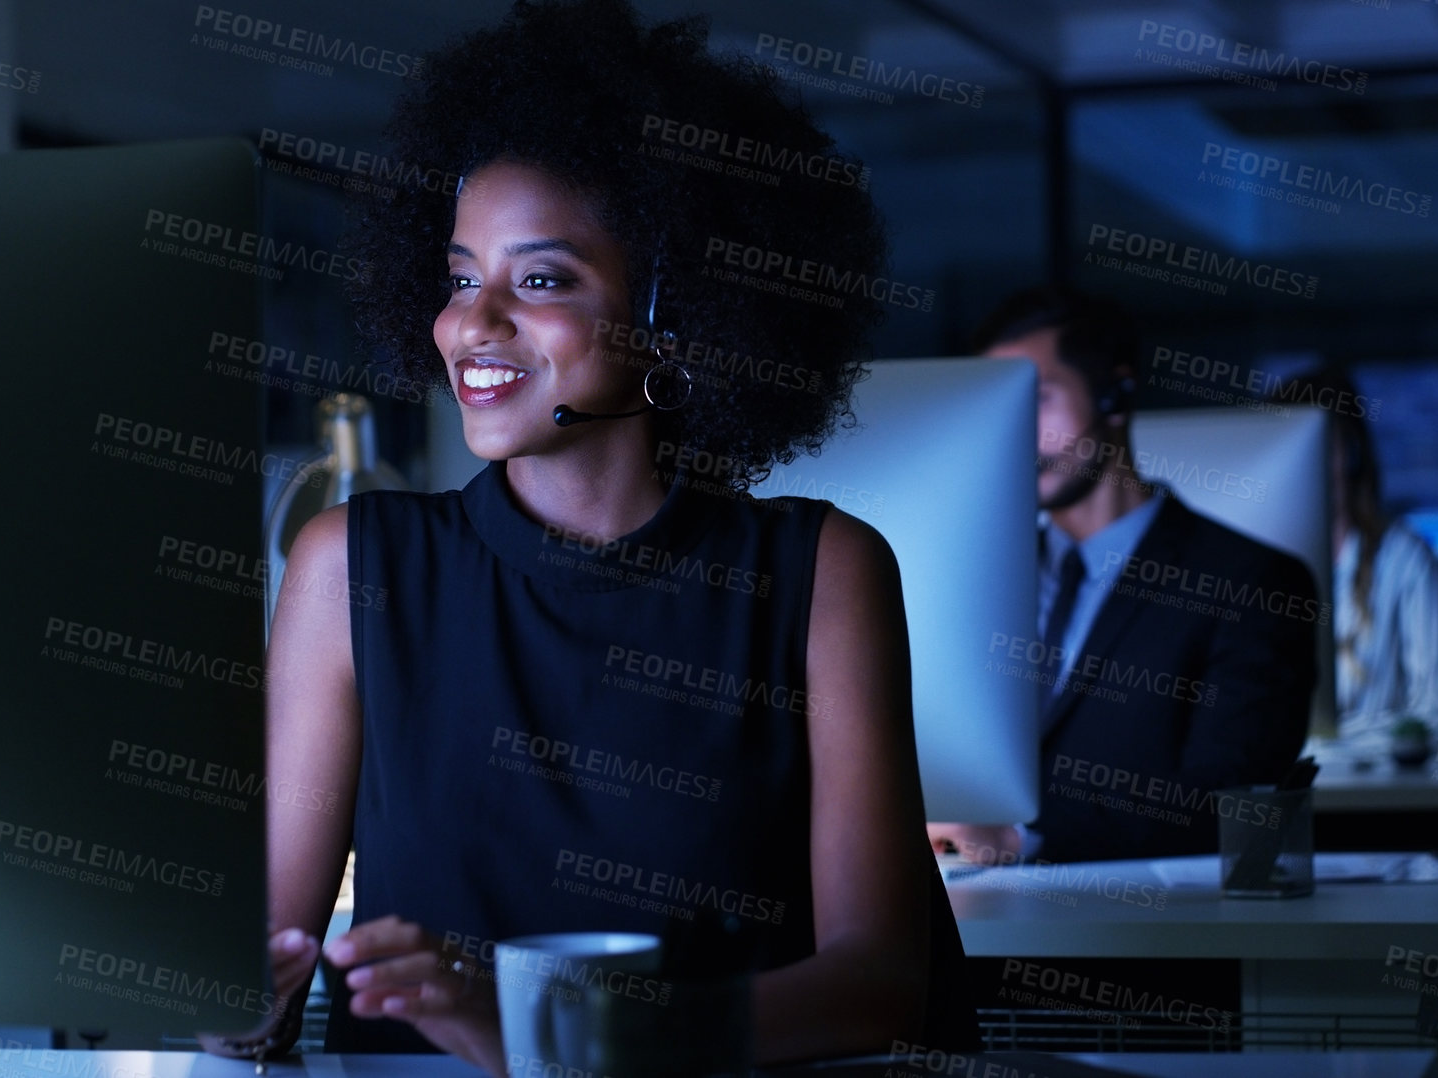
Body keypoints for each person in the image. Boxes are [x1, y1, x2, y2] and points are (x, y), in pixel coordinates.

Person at [208, 1, 975, 1071]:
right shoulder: (351, 566)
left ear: (679, 317)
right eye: (459, 275)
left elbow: (880, 986)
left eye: (541, 279)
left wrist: (552, 1034)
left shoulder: (818, 573)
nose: (471, 324)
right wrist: (222, 995)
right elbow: (260, 975)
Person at [928, 288, 1319, 864]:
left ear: (1114, 395)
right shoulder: (976, 581)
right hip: (966, 920)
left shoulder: (1253, 583)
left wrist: (1019, 838)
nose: (1014, 434)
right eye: (999, 410)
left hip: (1138, 934)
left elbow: (1230, 800)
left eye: (1037, 400)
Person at [1280, 368, 1438, 755]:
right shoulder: (1259, 570)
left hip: (1374, 798)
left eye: (1322, 450)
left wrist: (1335, 746)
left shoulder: (1405, 560)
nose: (1307, 468)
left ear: (1353, 455)